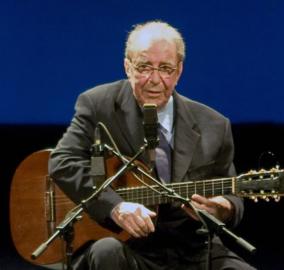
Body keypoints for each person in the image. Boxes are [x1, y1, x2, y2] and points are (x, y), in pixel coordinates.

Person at [49, 20, 255, 270]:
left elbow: (232, 191)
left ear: (178, 72)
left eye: (165, 68)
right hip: (125, 245)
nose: (154, 79)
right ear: (127, 67)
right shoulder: (98, 105)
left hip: (193, 249)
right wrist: (114, 207)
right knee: (106, 252)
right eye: (144, 67)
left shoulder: (214, 124)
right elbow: (63, 162)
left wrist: (223, 208)